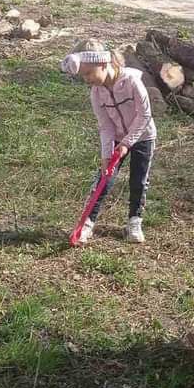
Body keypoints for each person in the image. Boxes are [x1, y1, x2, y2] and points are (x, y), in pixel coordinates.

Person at [61, 40, 157, 244]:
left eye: (88, 73)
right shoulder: (96, 92)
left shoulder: (132, 81)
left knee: (138, 180)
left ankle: (134, 222)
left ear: (103, 64)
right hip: (116, 138)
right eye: (82, 76)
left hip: (142, 135)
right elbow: (105, 126)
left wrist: (127, 143)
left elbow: (144, 115)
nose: (86, 80)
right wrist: (107, 155)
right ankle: (87, 223)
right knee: (103, 180)